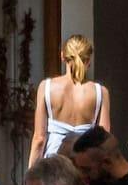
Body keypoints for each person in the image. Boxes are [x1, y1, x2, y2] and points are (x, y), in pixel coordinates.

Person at [28, 36, 111, 171]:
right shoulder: (100, 92)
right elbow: (104, 140)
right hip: (85, 165)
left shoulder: (46, 87)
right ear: (88, 60)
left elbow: (39, 138)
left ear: (62, 56)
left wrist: (30, 175)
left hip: (54, 163)